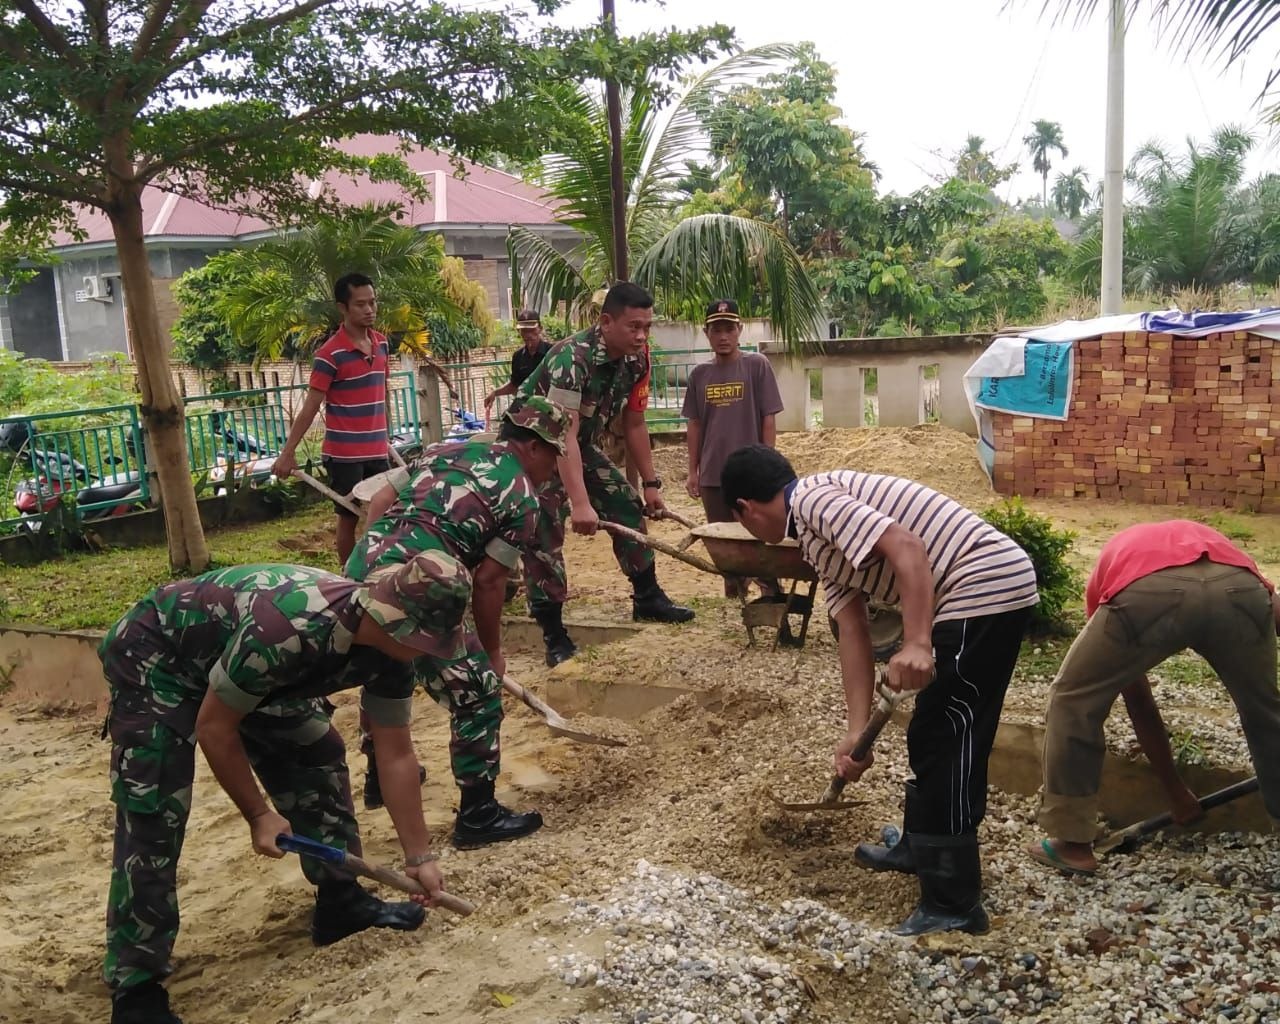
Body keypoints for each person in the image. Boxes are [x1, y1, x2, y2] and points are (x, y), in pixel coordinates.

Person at [100, 562, 453, 1024]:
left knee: (315, 750)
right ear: (389, 619)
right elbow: (214, 726)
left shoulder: (394, 654)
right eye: (423, 638)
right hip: (159, 656)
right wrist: (257, 814)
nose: (426, 650)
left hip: (245, 669)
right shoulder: (287, 630)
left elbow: (396, 755)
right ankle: (136, 985)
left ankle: (339, 901)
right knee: (156, 804)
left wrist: (420, 856)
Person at [720, 445, 1038, 936]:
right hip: (968, 590)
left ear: (745, 507)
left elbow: (908, 547)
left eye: (742, 522)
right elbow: (853, 629)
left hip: (983, 584)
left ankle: (954, 901)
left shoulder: (811, 500)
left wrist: (916, 641)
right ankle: (920, 845)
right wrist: (854, 732)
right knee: (935, 730)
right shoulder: (816, 540)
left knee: (947, 734)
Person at [347, 397, 570, 844]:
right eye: (553, 454)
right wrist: (492, 654)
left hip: (360, 570)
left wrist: (373, 557)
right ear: (531, 446)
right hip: (417, 586)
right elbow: (489, 583)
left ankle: (377, 776)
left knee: (386, 664)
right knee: (479, 692)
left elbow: (379, 503)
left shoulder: (444, 450)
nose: (555, 465)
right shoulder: (523, 499)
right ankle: (479, 815)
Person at [1028, 519, 1280, 877]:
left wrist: (1175, 791)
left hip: (1147, 592)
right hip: (1240, 588)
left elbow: (1139, 703)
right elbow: (1275, 613)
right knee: (1267, 712)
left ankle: (1072, 843)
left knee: (1074, 699)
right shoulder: (1215, 541)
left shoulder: (1116, 563)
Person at [508, 281, 693, 667]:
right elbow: (563, 435)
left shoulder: (637, 359)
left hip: (576, 443)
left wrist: (653, 485)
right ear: (606, 322)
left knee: (626, 502)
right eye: (633, 327)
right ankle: (553, 634)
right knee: (544, 528)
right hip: (531, 449)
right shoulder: (571, 359)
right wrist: (579, 503)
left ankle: (648, 599)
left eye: (647, 326)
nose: (642, 336)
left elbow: (636, 424)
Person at [272, 272, 397, 563]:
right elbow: (311, 406)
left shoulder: (381, 344)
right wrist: (287, 453)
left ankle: (381, 575)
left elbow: (382, 392)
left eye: (373, 303)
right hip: (344, 456)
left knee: (387, 515)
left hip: (377, 450)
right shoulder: (329, 355)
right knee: (348, 518)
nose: (369, 310)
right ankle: (349, 584)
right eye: (360, 304)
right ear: (343, 308)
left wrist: (385, 433)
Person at [682, 299, 784, 598]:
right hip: (714, 473)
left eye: (729, 328)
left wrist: (768, 462)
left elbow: (768, 417)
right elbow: (695, 424)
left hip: (750, 473)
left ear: (740, 330)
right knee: (725, 541)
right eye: (716, 330)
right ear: (707, 333)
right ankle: (735, 594)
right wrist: (693, 470)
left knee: (761, 535)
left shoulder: (756, 366)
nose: (723, 336)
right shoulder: (700, 375)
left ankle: (771, 592)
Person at [482, 309, 552, 418]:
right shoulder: (518, 356)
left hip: (549, 410)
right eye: (524, 330)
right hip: (526, 409)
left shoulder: (552, 352)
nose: (528, 334)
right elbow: (514, 385)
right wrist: (495, 393)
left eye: (531, 329)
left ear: (540, 329)